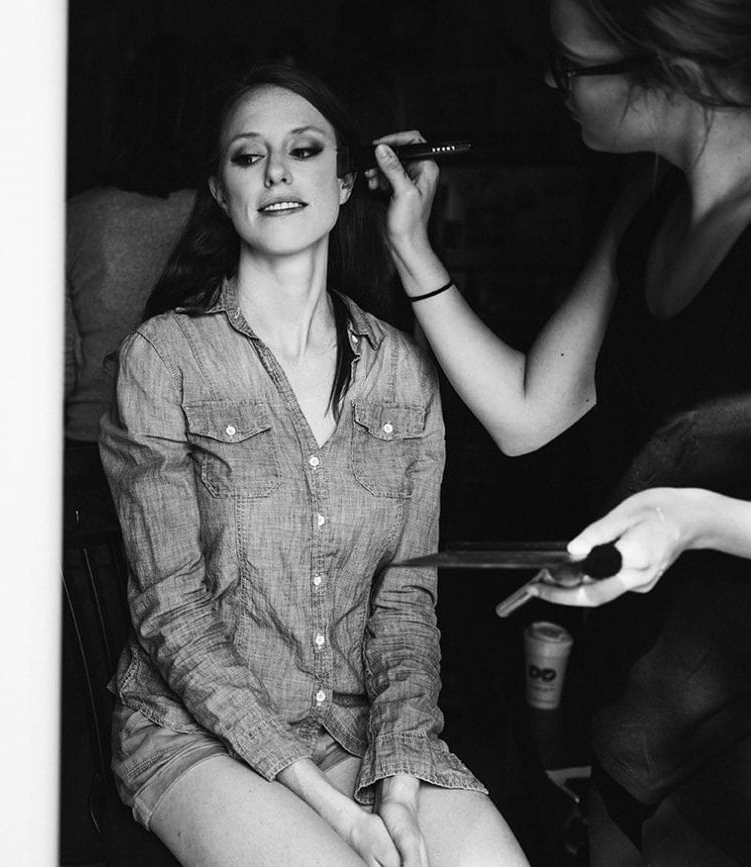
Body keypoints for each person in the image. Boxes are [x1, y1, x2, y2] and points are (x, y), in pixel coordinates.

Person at [98, 63, 526, 867]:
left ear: (344, 183)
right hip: (197, 733)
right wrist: (337, 809)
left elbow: (405, 603)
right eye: (248, 156)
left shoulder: (403, 370)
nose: (278, 171)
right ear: (221, 194)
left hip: (362, 726)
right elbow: (172, 612)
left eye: (303, 149)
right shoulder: (164, 357)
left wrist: (396, 785)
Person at [367, 0, 751, 861]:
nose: (551, 83)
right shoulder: (647, 202)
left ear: (669, 66)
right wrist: (411, 247)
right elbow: (526, 413)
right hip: (635, 721)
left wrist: (699, 518)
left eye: (570, 65)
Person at [65, 35, 207, 445]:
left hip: (88, 443)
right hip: (190, 448)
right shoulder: (222, 216)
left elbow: (58, 369)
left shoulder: (80, 216)